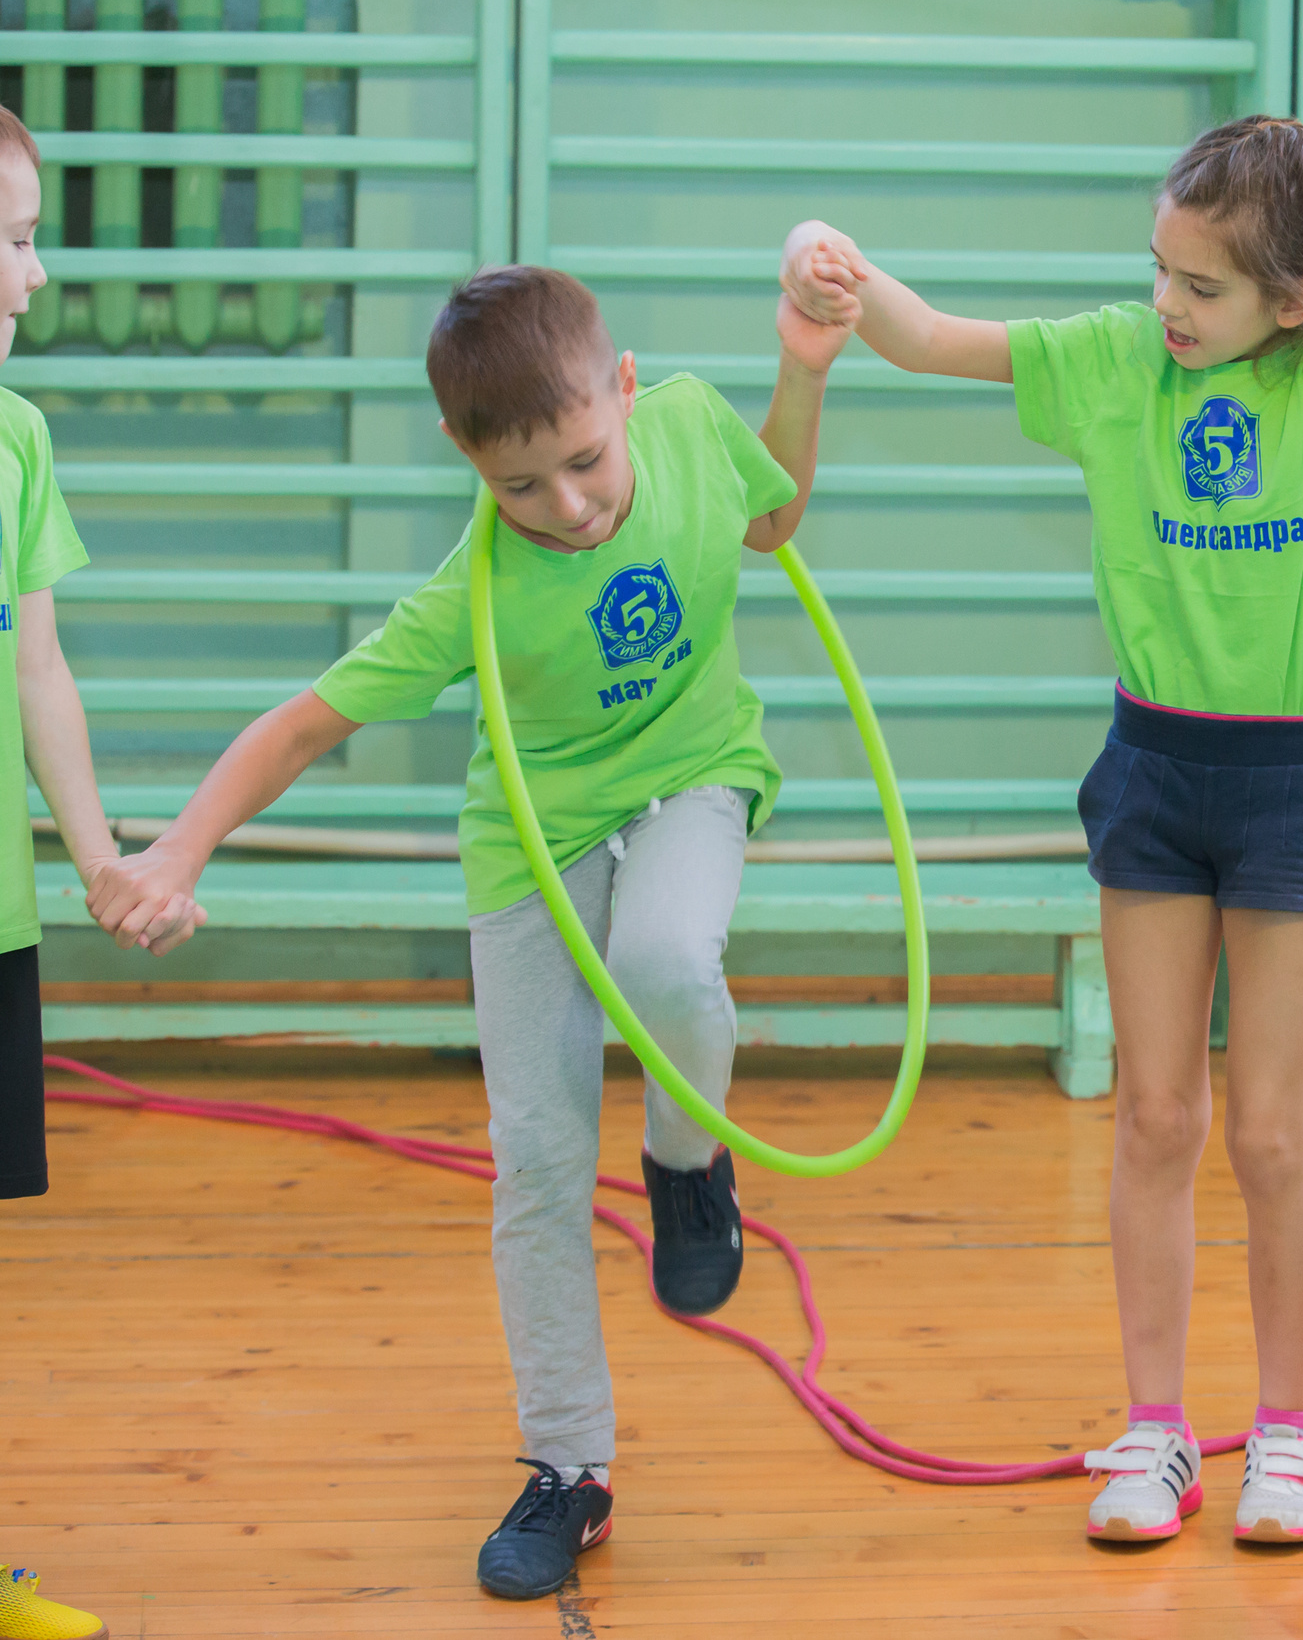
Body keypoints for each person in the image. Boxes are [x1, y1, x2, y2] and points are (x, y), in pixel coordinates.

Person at [84, 262, 849, 1600]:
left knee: (669, 962)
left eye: (583, 463)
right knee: (537, 1159)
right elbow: (307, 722)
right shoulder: (472, 589)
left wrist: (805, 367)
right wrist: (177, 846)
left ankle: (688, 1163)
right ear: (464, 459)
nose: (566, 506)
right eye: (520, 487)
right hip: (531, 840)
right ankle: (570, 1467)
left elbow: (772, 516)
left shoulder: (678, 424)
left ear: (620, 391)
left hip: (692, 774)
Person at [778, 112, 1303, 1546]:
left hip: (1292, 783)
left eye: (1201, 287)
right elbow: (924, 337)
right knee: (1158, 1116)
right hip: (1153, 770)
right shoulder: (1110, 362)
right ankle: (1156, 1430)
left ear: (1297, 300)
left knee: (1273, 1132)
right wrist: (836, 271)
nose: (1167, 304)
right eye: (1159, 269)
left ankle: (1288, 1431)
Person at [0, 100, 201, 1640]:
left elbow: (40, 668)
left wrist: (97, 861)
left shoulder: (19, 438)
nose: (36, 275)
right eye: (7, 240)